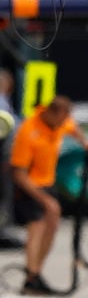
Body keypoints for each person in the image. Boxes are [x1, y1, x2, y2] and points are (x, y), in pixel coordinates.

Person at [8, 96, 88, 295]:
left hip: (47, 182)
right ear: (51, 113)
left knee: (52, 223)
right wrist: (44, 200)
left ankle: (35, 273)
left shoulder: (60, 123)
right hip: (28, 186)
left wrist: (85, 143)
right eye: (61, 119)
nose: (64, 124)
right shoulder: (29, 131)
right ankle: (31, 276)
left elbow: (73, 127)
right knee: (36, 227)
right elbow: (18, 173)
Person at [0, 68, 22, 249]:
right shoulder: (1, 104)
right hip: (4, 160)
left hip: (8, 158)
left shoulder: (5, 102)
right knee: (3, 196)